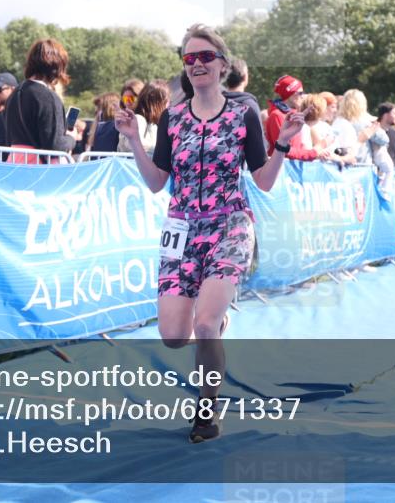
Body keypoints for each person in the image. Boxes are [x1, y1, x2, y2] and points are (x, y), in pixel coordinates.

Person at [115, 23, 301, 443]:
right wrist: (133, 141)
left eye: (205, 57)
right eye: (189, 58)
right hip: (181, 229)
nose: (197, 64)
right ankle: (214, 326)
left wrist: (284, 144)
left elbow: (264, 181)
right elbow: (157, 182)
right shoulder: (173, 119)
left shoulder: (243, 114)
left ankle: (206, 409)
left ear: (222, 65)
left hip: (230, 225)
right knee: (174, 336)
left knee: (205, 321)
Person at [4, 39, 81, 163]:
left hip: (15, 163)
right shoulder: (48, 97)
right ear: (57, 66)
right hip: (40, 169)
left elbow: (8, 139)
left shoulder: (14, 94)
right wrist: (71, 138)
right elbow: (55, 146)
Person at [118, 80, 169, 155]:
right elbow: (134, 145)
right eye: (125, 99)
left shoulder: (146, 120)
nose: (127, 102)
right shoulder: (138, 119)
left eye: (130, 98)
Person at [264, 75, 304, 154]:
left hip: (293, 164)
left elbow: (299, 146)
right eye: (300, 93)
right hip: (281, 165)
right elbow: (284, 151)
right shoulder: (276, 116)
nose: (302, 96)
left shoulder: (296, 114)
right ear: (290, 95)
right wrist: (314, 153)